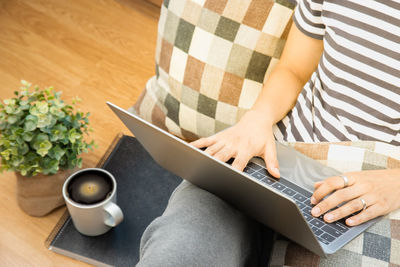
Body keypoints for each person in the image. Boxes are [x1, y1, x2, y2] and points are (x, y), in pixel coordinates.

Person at [137, 0, 400, 266]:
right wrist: (257, 119)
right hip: (277, 153)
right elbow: (294, 69)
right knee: (176, 252)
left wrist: (396, 184)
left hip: (374, 189)